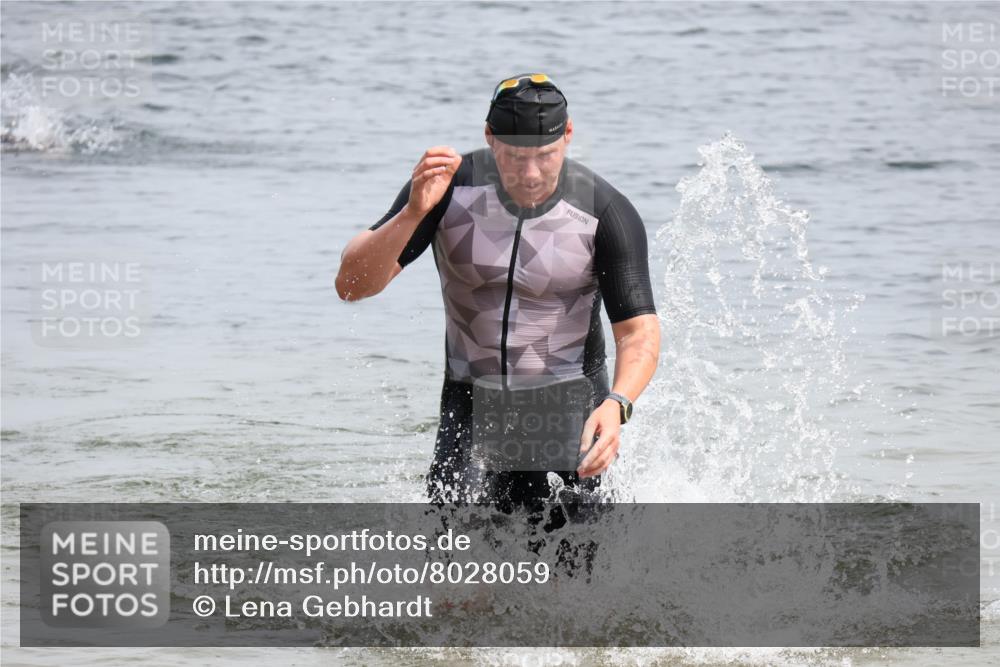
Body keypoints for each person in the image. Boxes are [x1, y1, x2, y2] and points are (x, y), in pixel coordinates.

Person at [336, 73, 660, 507]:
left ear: (567, 135)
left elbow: (638, 333)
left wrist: (618, 403)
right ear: (489, 138)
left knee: (576, 570)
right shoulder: (447, 190)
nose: (529, 174)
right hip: (470, 402)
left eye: (545, 156)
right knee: (457, 561)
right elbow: (352, 285)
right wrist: (413, 213)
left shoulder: (604, 211)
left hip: (569, 405)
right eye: (513, 156)